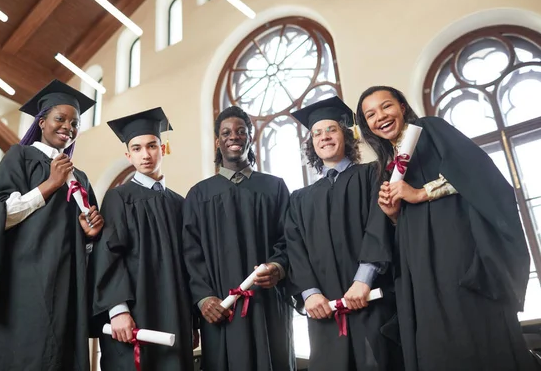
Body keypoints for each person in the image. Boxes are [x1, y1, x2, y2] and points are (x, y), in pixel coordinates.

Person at [356, 85, 534, 371]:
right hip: (418, 266)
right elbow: (401, 223)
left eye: (386, 106)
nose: (381, 117)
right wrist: (392, 213)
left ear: (402, 106)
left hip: (455, 251)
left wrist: (419, 193)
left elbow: (477, 174)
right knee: (434, 341)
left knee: (472, 332)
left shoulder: (431, 130)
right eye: (371, 115)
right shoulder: (387, 165)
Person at [0, 79, 104, 370]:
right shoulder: (20, 157)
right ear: (41, 121)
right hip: (24, 283)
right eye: (60, 118)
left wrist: (91, 234)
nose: (68, 126)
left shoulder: (79, 177)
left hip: (67, 285)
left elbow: (85, 238)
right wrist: (50, 185)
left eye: (75, 122)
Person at [285, 96, 402, 370]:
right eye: (317, 133)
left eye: (331, 130)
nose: (324, 137)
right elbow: (295, 248)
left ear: (346, 136)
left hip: (372, 303)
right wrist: (310, 294)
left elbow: (379, 225)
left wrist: (364, 280)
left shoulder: (372, 175)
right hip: (324, 310)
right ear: (311, 143)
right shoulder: (300, 199)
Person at [182, 106, 295, 371]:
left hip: (268, 304)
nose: (234, 136)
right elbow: (189, 253)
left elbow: (290, 238)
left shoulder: (274, 187)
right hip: (220, 308)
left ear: (250, 137)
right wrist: (203, 299)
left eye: (240, 131)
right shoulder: (199, 195)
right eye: (226, 132)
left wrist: (278, 268)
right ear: (218, 141)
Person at [88, 107, 195, 371]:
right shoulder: (118, 198)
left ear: (163, 148)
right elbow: (109, 254)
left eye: (151, 146)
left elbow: (190, 264)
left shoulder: (179, 203)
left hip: (175, 312)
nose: (145, 155)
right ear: (128, 154)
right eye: (136, 148)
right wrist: (118, 310)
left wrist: (192, 322)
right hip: (136, 314)